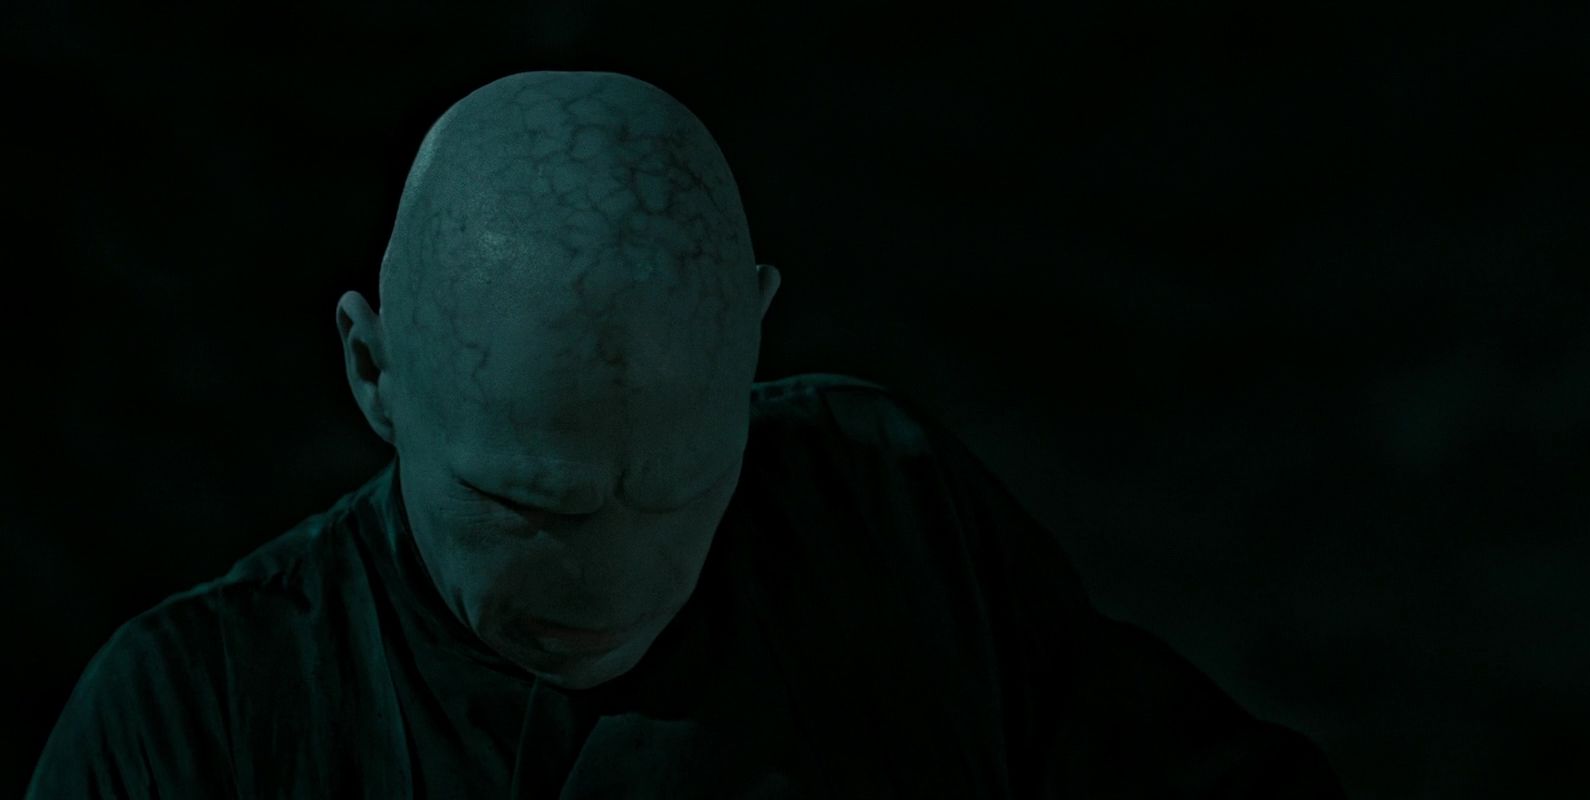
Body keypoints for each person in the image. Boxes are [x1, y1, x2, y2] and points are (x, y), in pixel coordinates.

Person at [28, 70, 1344, 798]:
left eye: (675, 487)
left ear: (755, 346)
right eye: (532, 505)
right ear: (374, 374)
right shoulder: (193, 726)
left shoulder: (883, 516)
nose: (609, 582)